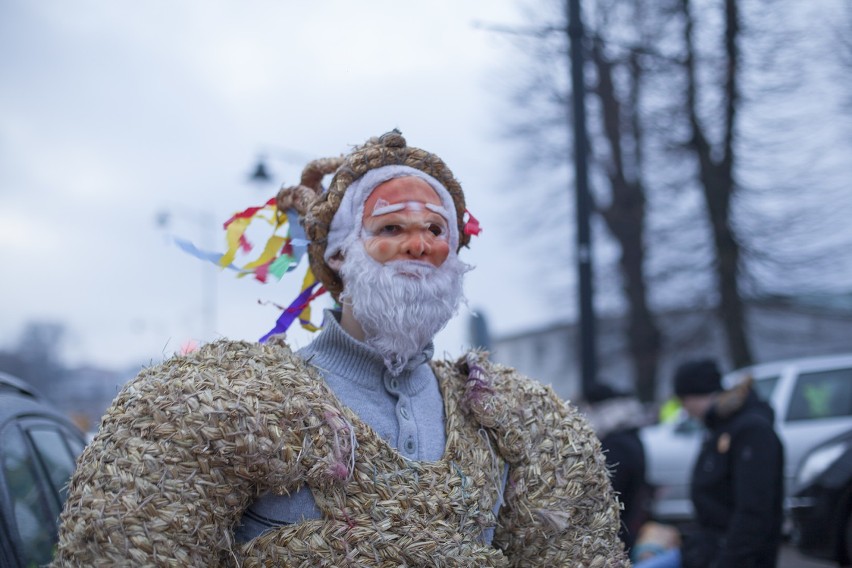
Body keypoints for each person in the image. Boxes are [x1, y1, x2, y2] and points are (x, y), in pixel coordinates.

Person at [52, 130, 629, 566]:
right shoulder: (231, 405)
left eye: (436, 232)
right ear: (338, 254)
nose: (418, 246)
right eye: (390, 229)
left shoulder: (520, 424)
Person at [635, 358, 784, 568]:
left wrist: (728, 561)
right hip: (710, 550)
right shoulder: (721, 428)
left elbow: (753, 511)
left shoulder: (749, 431)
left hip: (732, 556)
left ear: (695, 395)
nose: (685, 410)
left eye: (684, 400)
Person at [581, 383, 651, 554]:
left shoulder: (615, 443)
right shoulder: (629, 432)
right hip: (630, 521)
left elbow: (608, 488)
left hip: (619, 529)